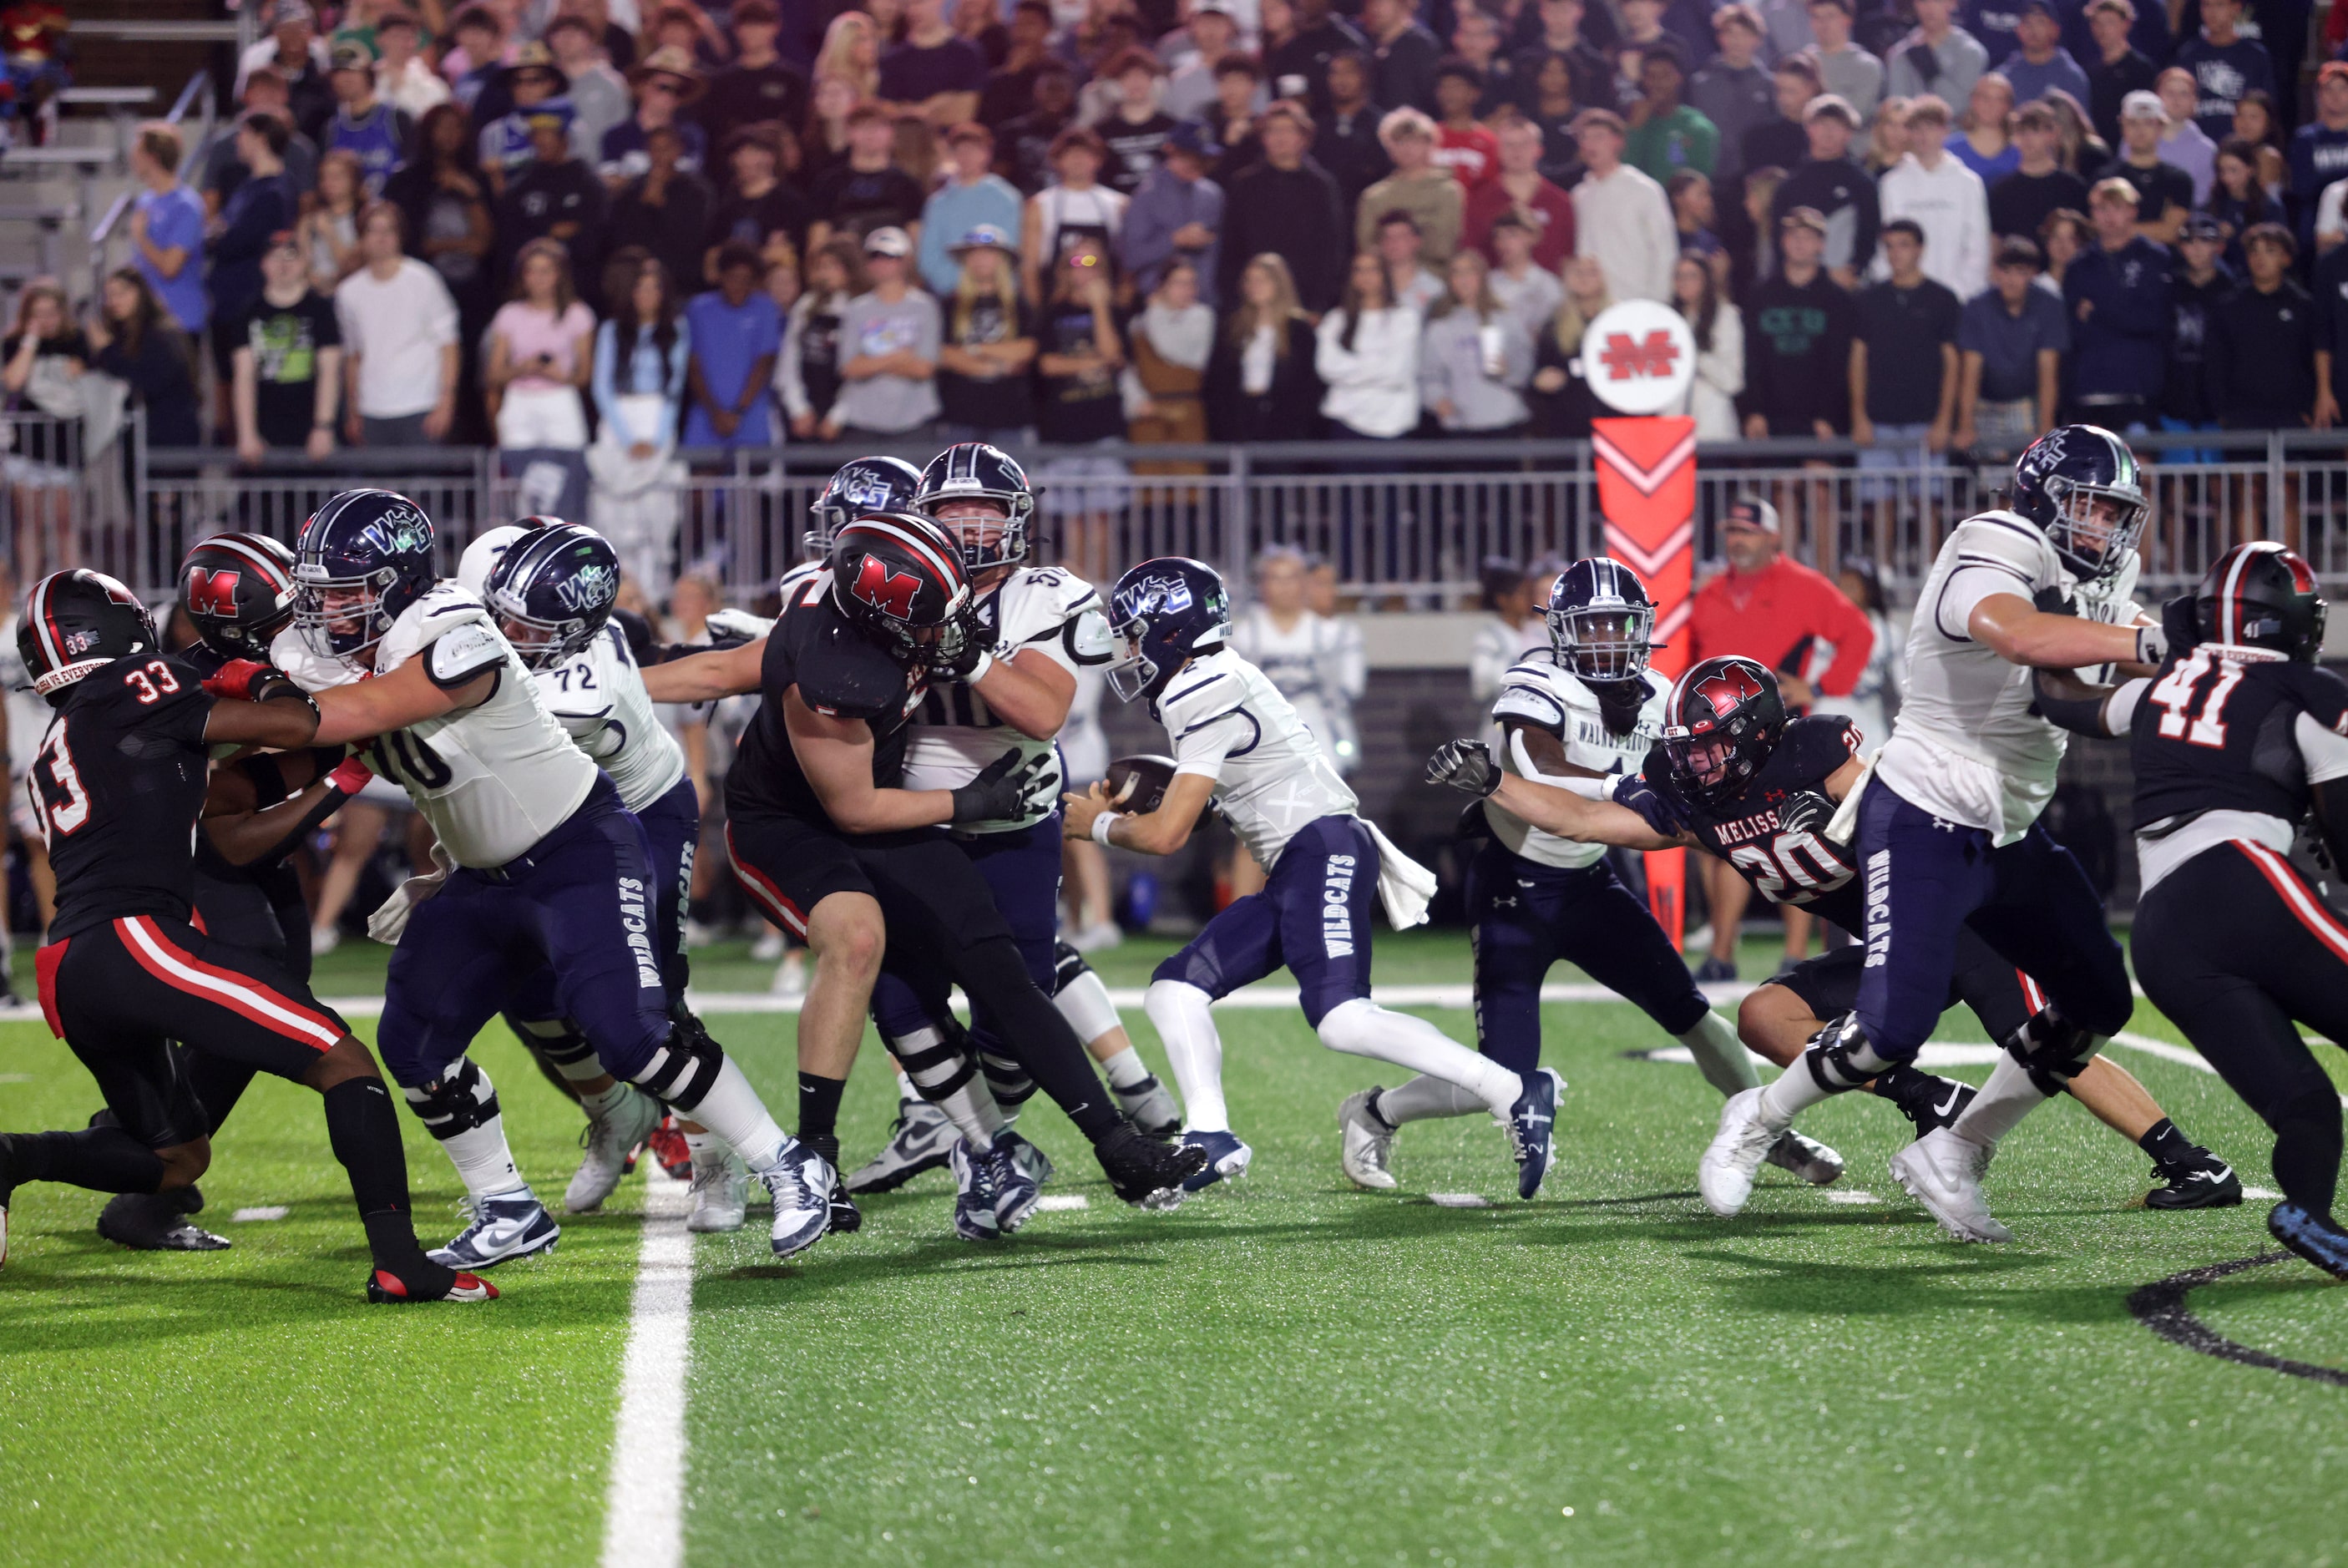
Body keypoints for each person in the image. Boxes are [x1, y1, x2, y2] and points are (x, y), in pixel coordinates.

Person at [269, 490, 830, 1263]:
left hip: (586, 842)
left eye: (345, 591)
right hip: (486, 863)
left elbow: (354, 720)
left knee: (634, 1023)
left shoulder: (462, 638)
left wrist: (208, 711)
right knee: (417, 1036)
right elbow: (457, 776)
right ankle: (512, 1201)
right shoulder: (361, 632)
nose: (325, 609)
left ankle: (780, 1161)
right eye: (320, 591)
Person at [1470, 654, 2237, 1212]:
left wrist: (1845, 820)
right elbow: (1580, 815)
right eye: (1689, 747)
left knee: (2040, 1038)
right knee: (1765, 1018)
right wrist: (1494, 783)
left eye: (1712, 744)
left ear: (1761, 730)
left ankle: (2190, 1160)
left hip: (1961, 916)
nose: (1697, 762)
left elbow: (1903, 810)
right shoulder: (1690, 799)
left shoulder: (1815, 751)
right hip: (1889, 937)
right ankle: (1929, 1099)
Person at [642, 504, 1207, 1213]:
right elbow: (853, 807)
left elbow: (728, 668)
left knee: (996, 965)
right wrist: (970, 803)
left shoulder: (870, 614)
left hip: (890, 813)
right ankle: (822, 1155)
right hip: (804, 825)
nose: (947, 624)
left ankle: (1118, 1146)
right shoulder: (838, 666)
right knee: (869, 955)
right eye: (930, 617)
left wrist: (624, 680)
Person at [1708, 427, 2161, 1242]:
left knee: (2098, 1000)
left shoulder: (2110, 575)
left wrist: (2203, 668)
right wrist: (2153, 645)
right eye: (2089, 508)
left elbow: (2083, 686)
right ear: (2040, 499)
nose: (2105, 529)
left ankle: (1955, 1151)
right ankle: (1758, 1116)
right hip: (1921, 811)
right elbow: (2020, 635)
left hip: (2009, 826)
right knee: (1890, 1031)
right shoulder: (1991, 541)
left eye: (2114, 512)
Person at [0, 568, 490, 1302]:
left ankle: (12, 1157)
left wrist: (344, 775)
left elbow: (233, 809)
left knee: (176, 1160)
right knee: (342, 1058)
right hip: (136, 940)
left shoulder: (62, 741)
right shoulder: (135, 684)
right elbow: (295, 726)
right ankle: (401, 1263)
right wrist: (255, 681)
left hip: (72, 964)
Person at [1064, 557, 1543, 1197]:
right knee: (1174, 990)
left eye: (1133, 631)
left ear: (1167, 630)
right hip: (1297, 861)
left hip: (1322, 849)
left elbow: (1166, 836)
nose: (1126, 647)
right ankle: (1212, 1134)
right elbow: (1211, 807)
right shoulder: (1208, 678)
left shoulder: (1198, 686)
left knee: (1342, 1017)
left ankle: (1511, 1089)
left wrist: (1092, 825)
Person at [1404, 560, 1831, 1195]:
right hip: (1512, 887)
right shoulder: (1538, 679)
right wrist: (1620, 785)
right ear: (1562, 632)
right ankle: (1379, 1111)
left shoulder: (1662, 695)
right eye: (1592, 625)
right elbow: (1535, 760)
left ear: (1641, 627)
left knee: (1689, 1010)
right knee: (1504, 1075)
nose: (1606, 638)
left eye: (1617, 624)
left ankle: (1762, 1123)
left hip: (1588, 883)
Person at [849, 448, 1185, 1223]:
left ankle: (984, 1142)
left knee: (1013, 1014)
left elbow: (1039, 712)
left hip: (1012, 821)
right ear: (922, 519)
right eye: (952, 512)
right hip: (915, 817)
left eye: (987, 512)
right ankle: (990, 1152)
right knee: (897, 994)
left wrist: (957, 647)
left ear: (1017, 521)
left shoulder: (1051, 595)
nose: (969, 527)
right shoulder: (885, 585)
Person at [2034, 545, 2348, 1276]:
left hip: (2165, 934)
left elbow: (2057, 699)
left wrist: (2043, 624)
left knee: (2304, 1100)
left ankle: (2309, 1213)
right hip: (2240, 884)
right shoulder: (2310, 691)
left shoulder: (2163, 684)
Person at [1680, 496, 1875, 979]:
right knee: (1719, 839)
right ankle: (1722, 954)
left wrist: (1822, 686)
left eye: (1746, 531)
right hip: (1719, 742)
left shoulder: (1804, 586)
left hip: (1782, 732)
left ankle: (1796, 953)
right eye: (1731, 531)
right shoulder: (1709, 594)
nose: (1737, 540)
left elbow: (1859, 633)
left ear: (1773, 538)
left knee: (1793, 833)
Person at [1852, 216, 1961, 498]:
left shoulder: (1943, 299)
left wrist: (1943, 421)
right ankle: (1881, 548)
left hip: (1926, 421)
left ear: (1920, 249)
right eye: (1889, 246)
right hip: (1878, 420)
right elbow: (1857, 359)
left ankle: (1935, 547)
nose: (1896, 253)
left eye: (1904, 245)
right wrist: (1859, 416)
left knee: (1930, 503)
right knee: (1878, 504)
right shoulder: (1869, 299)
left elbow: (1952, 362)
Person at [1229, 544, 1363, 775]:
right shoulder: (1244, 635)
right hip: (1261, 735)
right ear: (1262, 584)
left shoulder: (1332, 634)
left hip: (1320, 735)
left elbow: (1350, 686)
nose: (1284, 587)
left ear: (1304, 583)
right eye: (1275, 578)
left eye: (1291, 578)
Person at [335, 202, 459, 447]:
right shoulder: (348, 292)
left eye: (389, 230)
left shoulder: (425, 280)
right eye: (373, 230)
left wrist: (446, 403)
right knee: (378, 485)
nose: (381, 238)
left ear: (399, 236)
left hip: (421, 405)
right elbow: (352, 356)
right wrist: (352, 411)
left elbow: (448, 345)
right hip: (371, 408)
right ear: (362, 237)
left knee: (422, 485)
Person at [1217, 104, 1349, 313]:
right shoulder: (1244, 184)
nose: (1280, 137)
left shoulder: (1321, 186)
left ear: (1303, 137)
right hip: (1253, 301)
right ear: (1263, 137)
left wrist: (1319, 306)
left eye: (1288, 130)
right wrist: (1234, 302)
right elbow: (1231, 249)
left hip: (1305, 300)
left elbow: (1330, 250)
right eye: (1272, 130)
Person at [2062, 178, 2170, 431]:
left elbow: (2153, 320)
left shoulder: (2155, 257)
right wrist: (2125, 311)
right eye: (2102, 208)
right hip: (2090, 388)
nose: (2109, 216)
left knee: (2141, 465)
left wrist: (2099, 311)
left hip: (2140, 387)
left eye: (2117, 207)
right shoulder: (2078, 265)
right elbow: (2076, 330)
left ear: (2133, 211)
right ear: (2092, 215)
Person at [1740, 207, 1855, 439]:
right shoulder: (1760, 296)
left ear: (1821, 245)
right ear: (1783, 242)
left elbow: (1840, 363)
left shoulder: (1838, 299)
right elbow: (1750, 357)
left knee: (1820, 474)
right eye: (1794, 236)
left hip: (1822, 420)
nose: (1800, 243)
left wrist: (1828, 415)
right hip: (1771, 417)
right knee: (1776, 476)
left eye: (1809, 237)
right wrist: (1754, 410)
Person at [230, 230, 342, 462]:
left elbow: (329, 370)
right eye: (275, 257)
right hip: (266, 429)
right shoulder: (247, 313)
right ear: (263, 264)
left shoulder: (320, 309)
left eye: (290, 256)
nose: (283, 264)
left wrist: (323, 426)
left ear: (304, 262)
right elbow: (244, 375)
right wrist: (246, 433)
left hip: (311, 426)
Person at [822, 226, 940, 442]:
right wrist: (899, 357)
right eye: (874, 256)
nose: (881, 262)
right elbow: (849, 368)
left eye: (890, 256)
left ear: (906, 260)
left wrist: (871, 363)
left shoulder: (925, 306)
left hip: (914, 419)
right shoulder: (856, 309)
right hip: (863, 420)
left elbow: (924, 368)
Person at [1953, 236, 2066, 450]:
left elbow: (2048, 369)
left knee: (2029, 473)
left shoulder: (2049, 306)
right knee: (1988, 476)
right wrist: (1965, 425)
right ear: (1995, 272)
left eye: (2020, 271)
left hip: (2027, 404)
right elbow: (1970, 370)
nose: (2011, 279)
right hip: (1986, 404)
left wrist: (2046, 425)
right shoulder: (1977, 307)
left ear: (2033, 274)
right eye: (2006, 271)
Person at [486, 239, 596, 452]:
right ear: (523, 276)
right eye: (532, 272)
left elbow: (584, 375)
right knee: (520, 473)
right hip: (519, 400)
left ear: (558, 275)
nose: (539, 279)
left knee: (566, 468)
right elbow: (493, 374)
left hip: (560, 397)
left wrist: (558, 375)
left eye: (546, 271)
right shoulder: (509, 314)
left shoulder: (577, 314)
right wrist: (522, 369)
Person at [1205, 251, 1325, 439]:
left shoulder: (1299, 330)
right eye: (1249, 280)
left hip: (1283, 425)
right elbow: (1216, 381)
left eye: (1261, 280)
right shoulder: (1232, 328)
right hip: (1239, 421)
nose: (1254, 287)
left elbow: (1307, 386)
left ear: (1279, 283)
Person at [934, 226, 1037, 444]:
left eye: (988, 253)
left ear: (1002, 260)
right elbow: (944, 355)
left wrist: (973, 349)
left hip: (1011, 416)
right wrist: (995, 366)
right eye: (973, 253)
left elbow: (1026, 350)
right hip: (960, 415)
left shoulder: (1019, 305)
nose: (980, 259)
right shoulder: (949, 305)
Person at [2207, 223, 2312, 431]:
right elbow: (2216, 363)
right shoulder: (2228, 306)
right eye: (2253, 251)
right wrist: (2222, 411)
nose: (2260, 258)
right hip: (2241, 417)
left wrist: (2307, 409)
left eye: (2270, 251)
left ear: (2286, 258)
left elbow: (2310, 362)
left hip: (2290, 416)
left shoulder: (2303, 306)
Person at [495, 108, 609, 299]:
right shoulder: (521, 186)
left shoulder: (588, 183)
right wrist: (549, 233)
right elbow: (509, 238)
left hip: (580, 284)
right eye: (536, 135)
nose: (541, 141)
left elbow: (598, 236)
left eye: (548, 135)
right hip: (530, 286)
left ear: (565, 138)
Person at [1419, 247, 1534, 435]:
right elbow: (1429, 376)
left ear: (1482, 277)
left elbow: (1526, 368)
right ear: (1450, 281)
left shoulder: (1507, 319)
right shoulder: (1439, 328)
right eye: (1456, 273)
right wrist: (1437, 400)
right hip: (1461, 424)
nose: (1463, 279)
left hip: (1505, 421)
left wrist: (1509, 370)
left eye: (1469, 272)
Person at [684, 240, 783, 449]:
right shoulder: (698, 309)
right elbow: (693, 365)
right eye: (733, 278)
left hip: (751, 414)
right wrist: (715, 413)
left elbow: (764, 363)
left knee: (754, 477)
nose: (738, 285)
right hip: (706, 413)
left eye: (746, 280)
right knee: (702, 477)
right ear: (720, 276)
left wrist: (738, 412)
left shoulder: (765, 308)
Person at [85, 271, 200, 450]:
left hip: (169, 439)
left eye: (121, 293)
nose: (114, 301)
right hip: (139, 440)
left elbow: (147, 381)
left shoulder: (160, 335)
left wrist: (107, 350)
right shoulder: (122, 336)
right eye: (109, 296)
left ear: (140, 292)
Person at [1769, 95, 1875, 288]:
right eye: (1822, 124)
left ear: (1849, 133)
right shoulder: (1791, 184)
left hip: (1845, 286)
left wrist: (1855, 270)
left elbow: (1870, 234)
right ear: (1808, 129)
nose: (1829, 132)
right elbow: (1778, 238)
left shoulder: (1862, 182)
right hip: (1799, 285)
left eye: (1837, 125)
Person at [1572, 108, 1678, 302]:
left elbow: (1664, 249)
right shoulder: (1580, 195)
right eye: (1585, 138)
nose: (1590, 144)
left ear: (1617, 141)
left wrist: (1658, 300)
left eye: (1599, 136)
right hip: (1593, 304)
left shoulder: (1644, 189)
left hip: (1637, 299)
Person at [1317, 250, 1421, 440]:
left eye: (1373, 270)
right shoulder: (1336, 319)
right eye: (1359, 270)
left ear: (1384, 275)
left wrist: (1350, 369)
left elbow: (1396, 372)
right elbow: (1327, 367)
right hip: (1345, 419)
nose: (1366, 276)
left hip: (1393, 422)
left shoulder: (1404, 318)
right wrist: (1377, 363)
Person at [1121, 122, 1224, 304]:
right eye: (1189, 156)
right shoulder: (1146, 196)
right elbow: (1131, 256)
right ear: (1170, 150)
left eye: (1202, 158)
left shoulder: (1212, 194)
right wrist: (1175, 240)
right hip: (1161, 304)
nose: (1196, 164)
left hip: (1205, 303)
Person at [1021, 126, 1127, 301]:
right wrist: (1037, 314)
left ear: (1098, 160)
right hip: (1056, 303)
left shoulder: (1118, 205)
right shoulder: (1039, 205)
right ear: (1057, 161)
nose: (1078, 160)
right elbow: (1029, 268)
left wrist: (1120, 308)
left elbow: (1126, 267)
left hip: (1106, 301)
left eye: (1085, 154)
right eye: (1070, 154)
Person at [914, 123, 1019, 296]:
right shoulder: (937, 203)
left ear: (987, 154)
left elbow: (1011, 251)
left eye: (973, 150)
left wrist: (988, 287)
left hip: (996, 294)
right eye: (959, 150)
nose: (966, 156)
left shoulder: (1007, 199)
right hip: (950, 295)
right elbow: (929, 257)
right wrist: (957, 286)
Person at [128, 122, 209, 341]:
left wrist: (141, 238)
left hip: (180, 320)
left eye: (137, 152)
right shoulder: (146, 201)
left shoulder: (187, 206)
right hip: (148, 320)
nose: (131, 158)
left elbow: (170, 267)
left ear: (152, 157)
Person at [709, 124, 813, 286]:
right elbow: (712, 265)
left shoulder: (790, 202)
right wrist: (763, 255)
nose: (745, 160)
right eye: (739, 154)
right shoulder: (727, 207)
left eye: (752, 153)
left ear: (770, 157)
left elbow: (786, 256)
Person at [1464, 119, 1574, 272]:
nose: (1517, 151)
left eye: (1524, 144)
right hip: (1496, 293)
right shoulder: (1479, 201)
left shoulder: (1560, 203)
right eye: (1509, 144)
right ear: (1498, 151)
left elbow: (1569, 256)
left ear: (1538, 150)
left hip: (1552, 293)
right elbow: (1471, 256)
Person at [1355, 107, 1463, 265]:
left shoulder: (1447, 191)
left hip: (1436, 279)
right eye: (1399, 141)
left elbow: (1443, 247)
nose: (1407, 148)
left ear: (1430, 144)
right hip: (1387, 281)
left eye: (1415, 140)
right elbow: (1367, 248)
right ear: (1389, 148)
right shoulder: (1374, 196)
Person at [703, 0, 808, 151]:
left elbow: (798, 128)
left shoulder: (793, 79)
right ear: (736, 30)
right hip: (733, 161)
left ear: (775, 27)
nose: (751, 32)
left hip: (779, 163)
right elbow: (716, 129)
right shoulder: (721, 81)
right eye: (745, 25)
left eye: (759, 25)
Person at [1690, 4, 1774, 182]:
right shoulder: (1699, 84)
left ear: (1757, 39)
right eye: (1730, 33)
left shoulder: (1770, 85)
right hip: (1712, 177)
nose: (1737, 41)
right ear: (1720, 37)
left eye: (1744, 34)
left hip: (1756, 178)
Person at [603, 47, 709, 187]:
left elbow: (688, 183)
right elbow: (610, 184)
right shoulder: (616, 136)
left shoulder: (690, 136)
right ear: (643, 87)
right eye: (663, 87)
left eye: (678, 91)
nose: (669, 96)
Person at [2098, 89, 2192, 244]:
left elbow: (2170, 232)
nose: (2140, 130)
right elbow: (2098, 227)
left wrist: (2118, 229)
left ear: (2161, 128)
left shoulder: (2179, 180)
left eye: (2149, 123)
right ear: (2123, 127)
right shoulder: (2104, 178)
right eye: (2133, 123)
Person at [323, 40, 414, 199]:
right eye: (338, 73)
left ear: (368, 75)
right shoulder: (332, 128)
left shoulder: (397, 119)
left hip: (391, 213)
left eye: (351, 72)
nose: (344, 79)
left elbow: (413, 171)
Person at [1989, 100, 2087, 243]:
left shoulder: (2074, 188)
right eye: (2021, 131)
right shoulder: (2002, 190)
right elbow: (1995, 241)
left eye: (2035, 131)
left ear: (2053, 135)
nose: (2027, 139)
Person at [2173, 0, 2270, 146]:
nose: (2212, 13)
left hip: (2242, 149)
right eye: (2206, 5)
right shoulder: (2188, 55)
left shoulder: (2255, 56)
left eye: (2219, 5)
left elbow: (2266, 108)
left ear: (2236, 8)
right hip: (2197, 146)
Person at [1671, 250, 1742, 439]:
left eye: (1692, 276)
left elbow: (1732, 380)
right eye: (1679, 276)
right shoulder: (1666, 321)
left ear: (1706, 280)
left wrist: (1693, 354)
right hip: (1672, 429)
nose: (1684, 282)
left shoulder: (1726, 316)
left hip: (1713, 428)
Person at [1313, 51, 1392, 207]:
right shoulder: (1316, 125)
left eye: (1349, 72)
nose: (1341, 80)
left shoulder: (1383, 126)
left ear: (1364, 76)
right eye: (1335, 73)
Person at [1885, 0, 1988, 109]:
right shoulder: (1900, 53)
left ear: (1952, 3)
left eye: (1937, 1)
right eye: (1923, 1)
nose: (1929, 8)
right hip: (1908, 125)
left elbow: (1959, 107)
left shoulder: (1970, 52)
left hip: (1953, 126)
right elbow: (1896, 106)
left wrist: (1931, 70)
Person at [1804, 0, 1882, 127]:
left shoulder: (1867, 66)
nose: (1823, 23)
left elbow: (1855, 115)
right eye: (1816, 16)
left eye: (1830, 16)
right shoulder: (1802, 62)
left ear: (1847, 20)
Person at [1996, 0, 2086, 107]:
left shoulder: (2072, 77)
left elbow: (2080, 122)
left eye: (2041, 22)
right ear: (2018, 30)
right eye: (2027, 22)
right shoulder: (2003, 77)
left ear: (2055, 30)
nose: (2033, 29)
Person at [2153, 68, 2218, 205]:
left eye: (2184, 94)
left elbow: (2202, 198)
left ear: (2195, 100)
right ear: (2157, 97)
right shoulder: (2135, 141)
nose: (2176, 100)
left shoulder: (2207, 149)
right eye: (2170, 93)